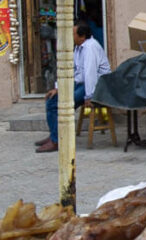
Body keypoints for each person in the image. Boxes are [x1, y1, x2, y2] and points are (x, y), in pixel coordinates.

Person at [35, 20, 111, 153]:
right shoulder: (78, 48)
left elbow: (90, 74)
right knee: (52, 100)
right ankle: (55, 135)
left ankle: (57, 140)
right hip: (82, 83)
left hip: (96, 86)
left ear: (82, 36)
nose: (71, 36)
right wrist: (58, 88)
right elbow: (71, 70)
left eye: (73, 34)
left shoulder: (90, 47)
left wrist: (89, 96)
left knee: (59, 104)